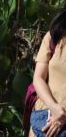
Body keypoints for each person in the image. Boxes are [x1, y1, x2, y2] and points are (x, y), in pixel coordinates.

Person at [30, 9, 66, 137]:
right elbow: (38, 77)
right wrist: (54, 108)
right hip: (42, 117)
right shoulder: (55, 35)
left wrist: (62, 115)